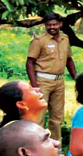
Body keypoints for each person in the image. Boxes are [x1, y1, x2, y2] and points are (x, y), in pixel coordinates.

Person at [26, 12, 78, 141]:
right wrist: (34, 85)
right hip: (42, 81)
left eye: (55, 24)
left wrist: (76, 78)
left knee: (57, 117)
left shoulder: (65, 39)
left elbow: (69, 60)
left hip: (59, 81)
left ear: (60, 24)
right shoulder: (39, 41)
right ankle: (35, 145)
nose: (52, 27)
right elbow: (30, 62)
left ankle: (56, 148)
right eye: (48, 25)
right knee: (39, 115)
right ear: (45, 25)